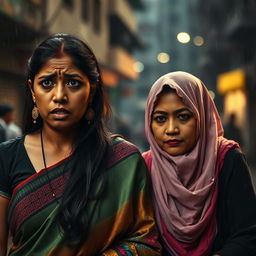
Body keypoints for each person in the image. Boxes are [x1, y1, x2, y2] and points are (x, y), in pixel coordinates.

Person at [0, 34, 161, 256]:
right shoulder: (6, 157)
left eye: (73, 83)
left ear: (92, 89)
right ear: (32, 90)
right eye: (47, 83)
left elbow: (147, 242)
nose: (59, 96)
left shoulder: (122, 160)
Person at [143, 71, 256, 256]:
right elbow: (139, 237)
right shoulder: (144, 167)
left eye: (183, 116)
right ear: (149, 123)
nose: (171, 129)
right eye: (161, 119)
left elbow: (248, 234)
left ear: (201, 116)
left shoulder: (227, 159)